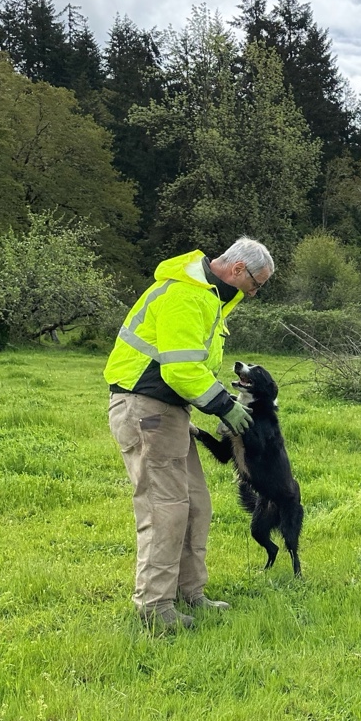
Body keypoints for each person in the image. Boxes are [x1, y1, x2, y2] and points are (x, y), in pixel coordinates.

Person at [104, 237, 274, 631]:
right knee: (166, 509)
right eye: (257, 283)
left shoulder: (208, 298)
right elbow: (179, 370)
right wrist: (223, 405)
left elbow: (192, 370)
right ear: (237, 270)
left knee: (196, 504)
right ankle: (155, 607)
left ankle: (190, 592)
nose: (255, 292)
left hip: (171, 410)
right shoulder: (186, 295)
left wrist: (214, 402)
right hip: (145, 407)